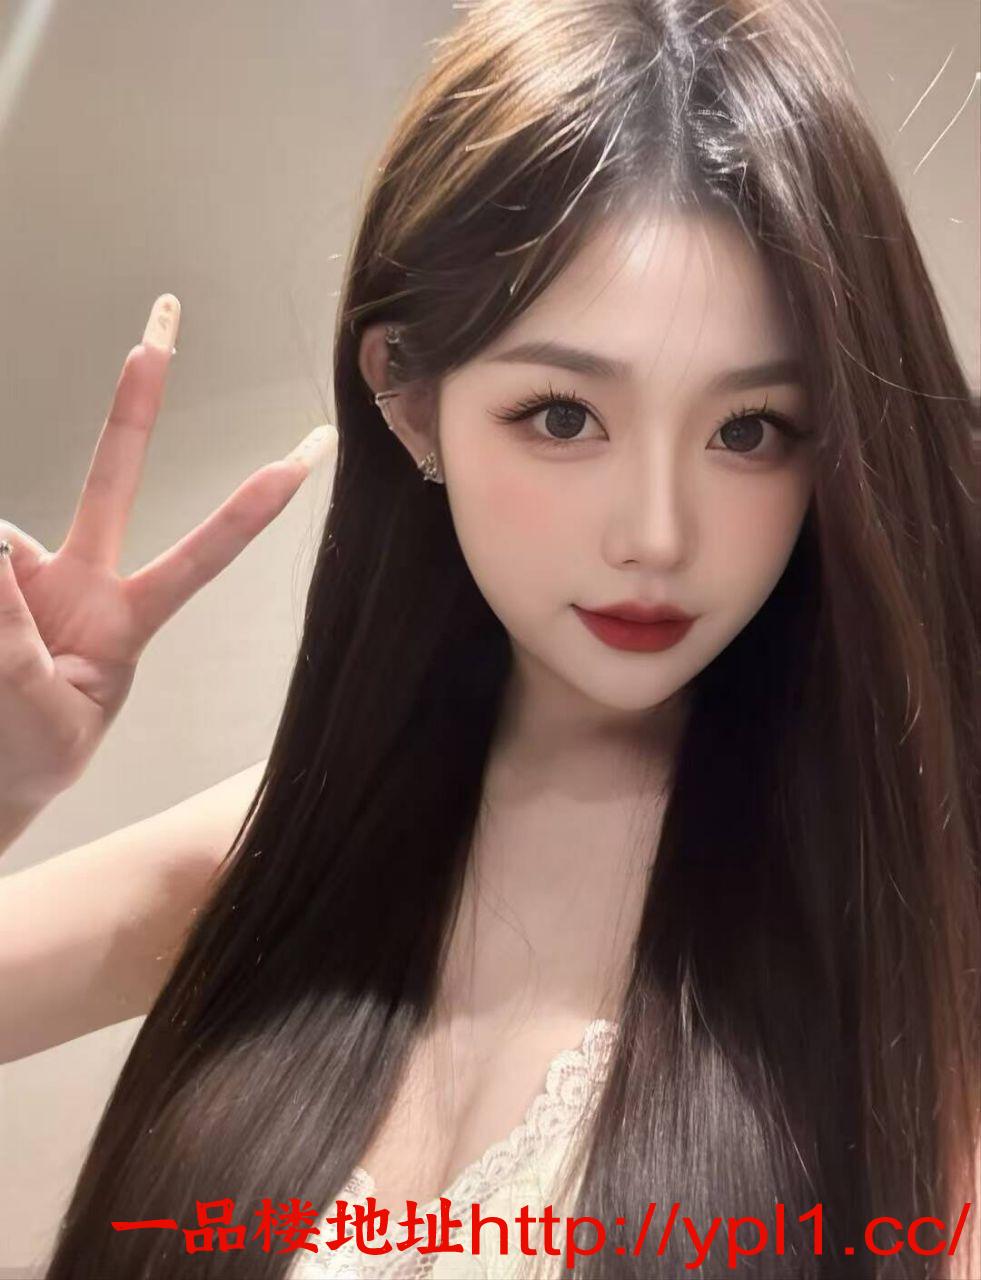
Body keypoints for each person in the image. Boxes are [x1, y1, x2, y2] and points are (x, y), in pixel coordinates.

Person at [1, 0, 978, 1276]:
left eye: (749, 430)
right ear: (409, 399)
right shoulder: (287, 844)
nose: (657, 534)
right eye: (564, 415)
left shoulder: (908, 918)